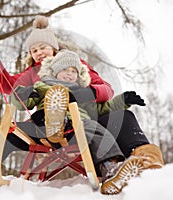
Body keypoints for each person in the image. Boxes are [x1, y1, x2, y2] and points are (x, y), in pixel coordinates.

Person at [0, 15, 164, 195]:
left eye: (42, 48)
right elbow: (8, 86)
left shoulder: (75, 64)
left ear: (53, 47)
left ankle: (143, 166)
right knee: (4, 132)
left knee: (122, 113)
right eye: (34, 51)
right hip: (43, 126)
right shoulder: (33, 73)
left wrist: (80, 95)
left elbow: (105, 89)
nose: (38, 53)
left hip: (83, 120)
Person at [11, 49, 149, 194]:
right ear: (55, 71)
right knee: (86, 125)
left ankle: (111, 168)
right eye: (65, 69)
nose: (70, 73)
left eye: (74, 71)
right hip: (46, 130)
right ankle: (56, 117)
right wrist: (23, 93)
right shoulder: (42, 86)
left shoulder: (83, 92)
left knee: (92, 126)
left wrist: (123, 100)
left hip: (77, 130)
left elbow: (103, 108)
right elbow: (21, 103)